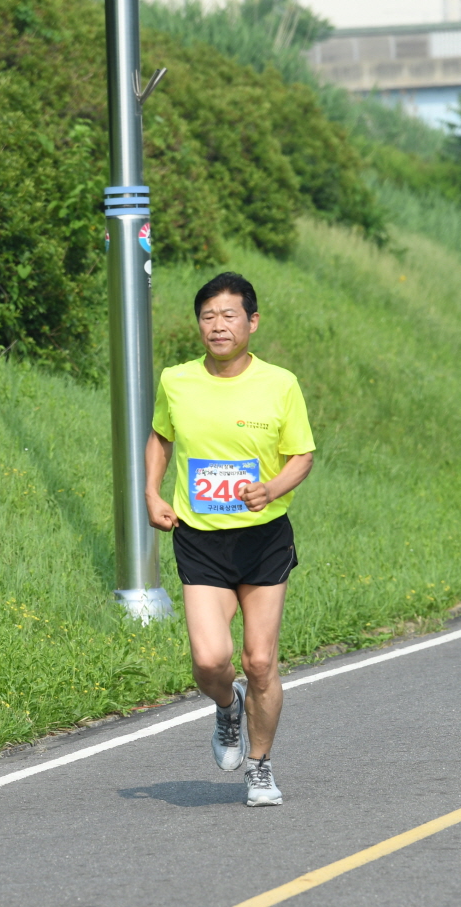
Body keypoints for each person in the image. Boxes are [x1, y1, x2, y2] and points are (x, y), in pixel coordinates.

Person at [146, 271, 315, 807]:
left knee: (260, 661)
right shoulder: (177, 380)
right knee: (210, 660)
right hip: (201, 538)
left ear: (252, 322)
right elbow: (160, 437)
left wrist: (272, 489)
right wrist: (151, 493)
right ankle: (226, 709)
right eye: (207, 316)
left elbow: (302, 455)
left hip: (263, 539)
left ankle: (260, 766)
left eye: (229, 316)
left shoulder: (280, 383)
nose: (217, 326)